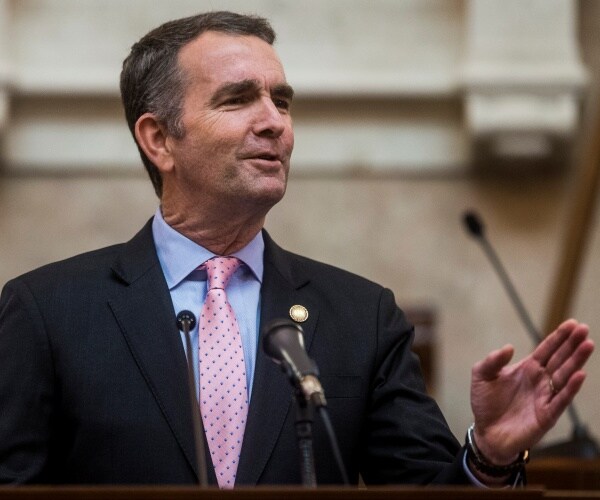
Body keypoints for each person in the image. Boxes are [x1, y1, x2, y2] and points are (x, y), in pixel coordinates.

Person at [0, 11, 594, 488]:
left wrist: (488, 456)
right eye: (238, 100)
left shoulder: (362, 318)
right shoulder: (47, 312)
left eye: (281, 101)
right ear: (159, 139)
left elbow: (427, 492)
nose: (275, 123)